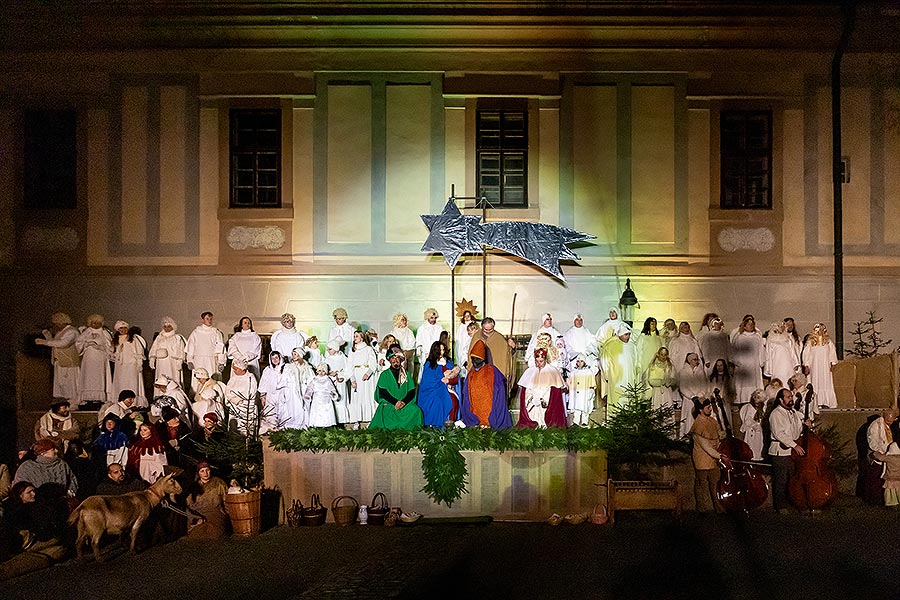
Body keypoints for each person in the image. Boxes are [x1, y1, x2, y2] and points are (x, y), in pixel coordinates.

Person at [459, 340, 512, 430]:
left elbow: (500, 392)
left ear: (483, 359)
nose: (474, 361)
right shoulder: (471, 374)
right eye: (472, 359)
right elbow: (466, 394)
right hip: (475, 413)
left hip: (491, 412)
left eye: (477, 359)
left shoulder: (493, 371)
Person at [768, 388, 806, 513]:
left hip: (792, 451)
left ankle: (795, 502)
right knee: (781, 480)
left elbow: (797, 429)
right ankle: (780, 506)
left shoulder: (793, 412)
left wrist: (805, 425)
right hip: (781, 451)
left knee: (793, 478)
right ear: (781, 399)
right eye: (788, 397)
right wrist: (794, 445)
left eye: (791, 396)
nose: (791, 399)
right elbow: (779, 434)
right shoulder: (776, 414)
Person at [689, 396, 729, 514]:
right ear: (701, 409)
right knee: (701, 484)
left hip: (713, 458)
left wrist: (725, 432)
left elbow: (717, 435)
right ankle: (702, 507)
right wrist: (720, 456)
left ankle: (718, 507)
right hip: (702, 459)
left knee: (715, 483)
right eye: (708, 407)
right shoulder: (698, 425)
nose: (710, 409)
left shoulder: (712, 421)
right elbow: (706, 446)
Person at [370, 345, 423, 431]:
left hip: (404, 404)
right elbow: (383, 392)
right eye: (392, 358)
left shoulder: (406, 374)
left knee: (416, 411)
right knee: (386, 412)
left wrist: (403, 402)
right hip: (390, 404)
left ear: (401, 360)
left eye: (398, 358)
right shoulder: (384, 375)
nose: (395, 360)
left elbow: (411, 391)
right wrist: (395, 402)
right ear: (389, 360)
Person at [34, 312, 81, 406]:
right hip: (59, 361)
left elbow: (63, 343)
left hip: (68, 362)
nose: (55, 325)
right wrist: (48, 336)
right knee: (61, 384)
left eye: (57, 323)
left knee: (69, 384)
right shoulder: (61, 332)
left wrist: (44, 342)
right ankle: (62, 403)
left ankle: (73, 403)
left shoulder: (72, 332)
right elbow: (55, 343)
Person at [517, 348, 567, 428]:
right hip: (532, 404)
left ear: (545, 359)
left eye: (541, 361)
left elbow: (554, 393)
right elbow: (526, 390)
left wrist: (543, 400)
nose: (538, 364)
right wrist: (531, 399)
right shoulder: (529, 371)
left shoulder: (553, 371)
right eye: (537, 361)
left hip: (546, 404)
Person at [13, 440, 77, 498]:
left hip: (61, 502)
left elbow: (72, 480)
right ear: (43, 453)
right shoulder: (27, 467)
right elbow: (20, 487)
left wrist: (69, 494)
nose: (56, 451)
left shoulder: (62, 464)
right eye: (53, 449)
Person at [417, 341, 460, 428]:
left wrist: (448, 380)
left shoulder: (448, 362)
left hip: (447, 388)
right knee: (438, 402)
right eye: (440, 350)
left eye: (443, 350)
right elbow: (427, 380)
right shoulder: (429, 363)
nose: (442, 352)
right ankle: (434, 425)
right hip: (430, 391)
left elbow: (456, 378)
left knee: (453, 400)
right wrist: (442, 376)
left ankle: (450, 424)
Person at [75, 314, 113, 407]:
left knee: (99, 377)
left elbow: (109, 346)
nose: (95, 324)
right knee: (88, 377)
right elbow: (78, 343)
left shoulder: (104, 333)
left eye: (98, 323)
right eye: (93, 322)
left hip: (100, 358)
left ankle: (99, 398)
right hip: (88, 358)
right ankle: (88, 398)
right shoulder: (86, 332)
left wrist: (100, 346)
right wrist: (87, 343)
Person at [599, 323, 639, 411]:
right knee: (617, 399)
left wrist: (636, 374)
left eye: (629, 334)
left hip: (630, 378)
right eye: (626, 334)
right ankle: (615, 421)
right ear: (620, 334)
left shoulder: (632, 346)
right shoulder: (611, 346)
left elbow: (636, 361)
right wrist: (607, 375)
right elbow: (604, 361)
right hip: (616, 379)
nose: (628, 337)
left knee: (629, 399)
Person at [185, 462, 229, 539]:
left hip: (215, 513)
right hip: (198, 514)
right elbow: (188, 505)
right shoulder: (194, 486)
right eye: (202, 471)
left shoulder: (219, 483)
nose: (205, 473)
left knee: (215, 533)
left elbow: (227, 500)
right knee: (196, 534)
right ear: (198, 473)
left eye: (207, 470)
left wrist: (228, 515)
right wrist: (196, 518)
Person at [345, 331, 379, 430]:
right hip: (356, 374)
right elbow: (349, 365)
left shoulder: (368, 349)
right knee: (357, 397)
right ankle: (356, 421)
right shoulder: (352, 351)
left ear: (362, 338)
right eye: (354, 336)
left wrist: (368, 373)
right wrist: (352, 379)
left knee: (367, 396)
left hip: (366, 375)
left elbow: (373, 363)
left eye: (357, 336)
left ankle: (369, 420)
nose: (355, 338)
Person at [110, 320, 148, 408]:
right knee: (121, 382)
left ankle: (133, 402)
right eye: (121, 328)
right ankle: (122, 401)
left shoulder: (134, 339)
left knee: (132, 382)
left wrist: (139, 363)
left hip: (131, 365)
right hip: (120, 366)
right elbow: (112, 353)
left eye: (125, 328)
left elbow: (139, 351)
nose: (123, 330)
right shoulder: (116, 340)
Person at [186, 312, 226, 393]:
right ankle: (196, 397)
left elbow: (220, 348)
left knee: (211, 379)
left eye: (211, 319)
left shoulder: (216, 332)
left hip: (211, 360)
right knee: (198, 380)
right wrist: (189, 360)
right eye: (207, 319)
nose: (209, 320)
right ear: (202, 320)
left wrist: (221, 362)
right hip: (198, 361)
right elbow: (191, 347)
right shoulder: (196, 332)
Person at [864, 408, 897, 505]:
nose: (890, 423)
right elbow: (873, 443)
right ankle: (873, 500)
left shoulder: (892, 425)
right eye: (888, 421)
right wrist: (881, 453)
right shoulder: (875, 426)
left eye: (892, 421)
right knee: (875, 478)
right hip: (879, 455)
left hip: (889, 456)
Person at [731, 315, 765, 407]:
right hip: (743, 366)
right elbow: (733, 351)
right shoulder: (739, 337)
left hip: (754, 365)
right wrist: (737, 362)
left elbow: (761, 351)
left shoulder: (757, 337)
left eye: (752, 324)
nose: (750, 326)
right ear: (744, 326)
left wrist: (761, 362)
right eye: (748, 324)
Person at [803, 323, 838, 409]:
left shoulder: (828, 342)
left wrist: (832, 363)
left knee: (825, 382)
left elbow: (832, 354)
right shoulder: (810, 342)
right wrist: (806, 365)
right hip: (814, 367)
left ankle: (826, 402)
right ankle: (815, 403)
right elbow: (806, 354)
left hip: (825, 367)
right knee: (814, 382)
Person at [148, 316, 187, 389]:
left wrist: (180, 361)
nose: (167, 328)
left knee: (173, 377)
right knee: (161, 377)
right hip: (161, 363)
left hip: (172, 363)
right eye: (165, 326)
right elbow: (154, 348)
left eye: (169, 326)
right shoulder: (159, 338)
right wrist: (152, 358)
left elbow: (181, 350)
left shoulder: (177, 338)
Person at [224, 357, 259, 435]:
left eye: (236, 369)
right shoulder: (233, 378)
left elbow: (251, 392)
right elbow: (228, 391)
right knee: (234, 426)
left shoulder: (250, 378)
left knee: (245, 428)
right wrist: (234, 400)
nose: (234, 371)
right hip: (234, 406)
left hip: (245, 407)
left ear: (242, 369)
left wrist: (241, 400)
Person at [679, 353, 711, 437]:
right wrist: (692, 396)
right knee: (688, 419)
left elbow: (704, 385)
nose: (697, 361)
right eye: (694, 359)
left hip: (700, 399)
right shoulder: (683, 372)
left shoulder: (701, 372)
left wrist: (700, 395)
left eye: (697, 359)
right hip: (689, 399)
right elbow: (683, 387)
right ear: (689, 361)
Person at [303, 363, 339, 428]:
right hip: (317, 399)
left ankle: (327, 426)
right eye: (319, 371)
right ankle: (317, 425)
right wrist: (308, 395)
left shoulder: (328, 380)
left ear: (326, 372)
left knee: (326, 413)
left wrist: (333, 394)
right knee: (317, 413)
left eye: (323, 371)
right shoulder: (314, 380)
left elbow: (332, 389)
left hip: (326, 400)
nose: (321, 373)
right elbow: (309, 389)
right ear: (317, 371)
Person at [765, 321, 800, 387]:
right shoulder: (771, 340)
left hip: (788, 365)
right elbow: (768, 355)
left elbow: (792, 352)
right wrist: (769, 368)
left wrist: (796, 363)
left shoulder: (788, 339)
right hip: (777, 366)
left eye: (782, 327)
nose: (781, 328)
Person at [258, 351, 286, 432]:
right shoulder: (268, 370)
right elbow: (263, 383)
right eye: (272, 358)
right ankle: (272, 429)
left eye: (276, 357)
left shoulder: (285, 369)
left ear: (280, 358)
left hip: (282, 395)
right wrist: (263, 396)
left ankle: (282, 430)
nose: (275, 360)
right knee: (270, 412)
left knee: (282, 411)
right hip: (270, 395)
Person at [325, 339, 351, 427]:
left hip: (340, 382)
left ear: (336, 349)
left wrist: (343, 377)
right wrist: (329, 374)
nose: (328, 351)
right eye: (328, 349)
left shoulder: (343, 358)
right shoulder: (327, 359)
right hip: (331, 382)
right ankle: (333, 421)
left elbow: (349, 370)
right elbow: (324, 370)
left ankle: (342, 422)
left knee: (341, 399)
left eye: (330, 349)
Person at [567, 353, 598, 427]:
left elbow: (592, 383)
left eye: (581, 361)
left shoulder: (588, 372)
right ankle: (576, 422)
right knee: (577, 408)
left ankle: (584, 421)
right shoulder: (574, 372)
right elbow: (570, 382)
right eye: (578, 361)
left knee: (585, 408)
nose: (579, 363)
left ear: (584, 362)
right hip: (576, 394)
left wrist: (591, 391)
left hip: (585, 393)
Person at [415, 308, 445, 380]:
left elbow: (443, 339)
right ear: (427, 317)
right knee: (425, 370)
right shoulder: (422, 328)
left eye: (435, 318)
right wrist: (419, 350)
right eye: (431, 318)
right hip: (426, 352)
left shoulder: (439, 327)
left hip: (436, 352)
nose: (433, 320)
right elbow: (419, 340)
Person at [739, 390, 767, 461]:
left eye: (759, 398)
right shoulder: (749, 407)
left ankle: (757, 456)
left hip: (759, 431)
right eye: (755, 397)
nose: (756, 399)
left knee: (758, 445)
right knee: (750, 445)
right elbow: (747, 419)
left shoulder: (763, 408)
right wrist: (753, 424)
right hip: (750, 430)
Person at [872, 442, 900, 508]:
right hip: (899, 478)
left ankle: (892, 503)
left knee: (891, 492)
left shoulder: (889, 458)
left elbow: (880, 458)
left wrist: (875, 452)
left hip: (891, 478)